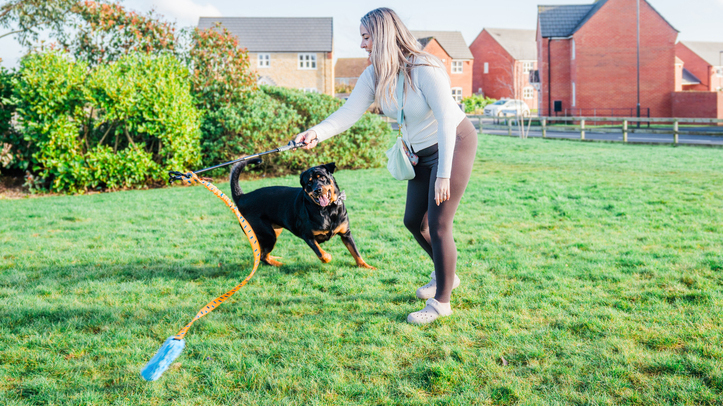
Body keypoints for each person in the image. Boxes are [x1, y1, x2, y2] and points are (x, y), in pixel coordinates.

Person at [293, 7, 478, 324]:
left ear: (382, 36)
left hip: (453, 144)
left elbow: (447, 121)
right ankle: (446, 274)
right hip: (418, 154)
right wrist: (316, 133)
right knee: (413, 221)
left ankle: (441, 302)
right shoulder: (375, 74)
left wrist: (443, 175)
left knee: (438, 225)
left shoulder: (425, 68)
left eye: (366, 37)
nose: (362, 44)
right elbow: (348, 113)